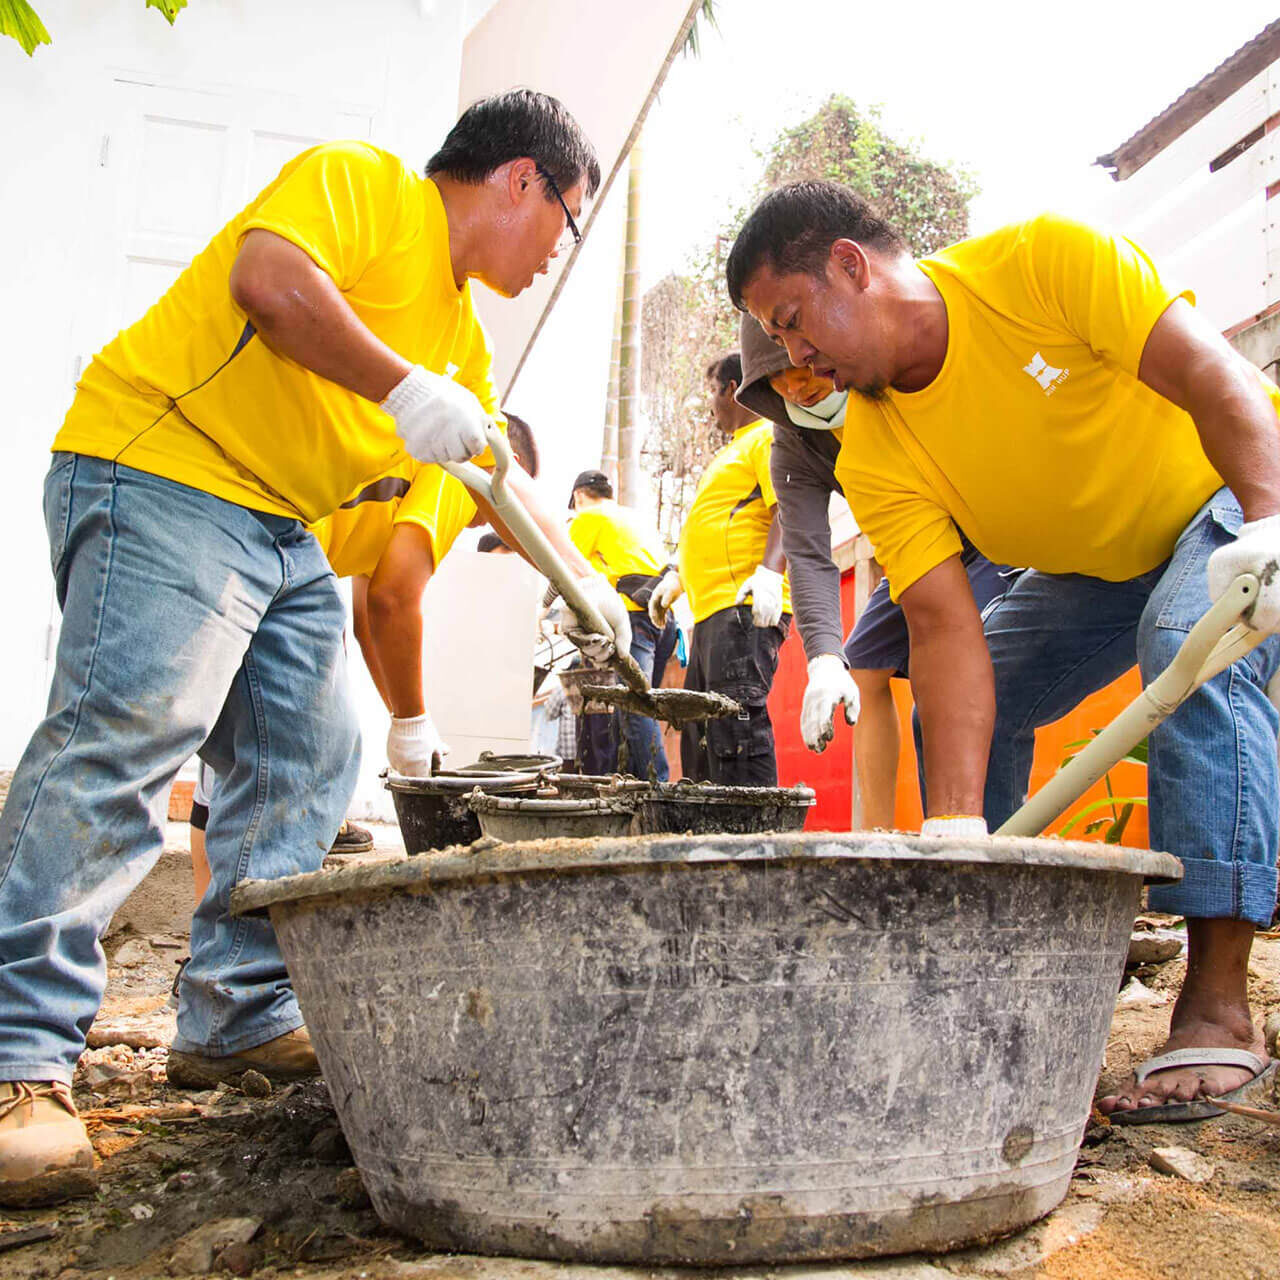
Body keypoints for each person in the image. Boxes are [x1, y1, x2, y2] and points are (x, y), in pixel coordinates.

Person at [0, 90, 637, 1207]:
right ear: (524, 179)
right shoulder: (366, 185)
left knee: (309, 751)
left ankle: (237, 1016)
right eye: (567, 222)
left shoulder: (460, 335)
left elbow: (492, 468)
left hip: (277, 525)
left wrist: (582, 580)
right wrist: (399, 388)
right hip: (168, 462)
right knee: (128, 735)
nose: (553, 256)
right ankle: (17, 1056)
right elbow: (268, 282)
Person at [728, 181, 1280, 1123]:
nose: (795, 357)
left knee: (1188, 645)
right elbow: (945, 631)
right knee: (999, 687)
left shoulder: (1041, 264)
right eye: (778, 343)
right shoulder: (872, 451)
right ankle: (984, 959)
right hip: (1097, 566)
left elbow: (1211, 377)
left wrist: (1270, 521)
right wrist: (952, 827)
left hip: (1222, 501)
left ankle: (1221, 1004)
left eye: (791, 320)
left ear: (851, 267)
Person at [735, 313, 1013, 828]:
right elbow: (809, 550)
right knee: (860, 665)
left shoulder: (886, 381)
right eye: (781, 383)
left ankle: (974, 830)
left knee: (955, 677)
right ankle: (878, 835)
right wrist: (821, 658)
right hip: (912, 547)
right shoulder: (793, 442)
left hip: (985, 529)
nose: (798, 391)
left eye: (804, 373)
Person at [649, 354, 791, 785]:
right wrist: (678, 576)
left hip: (743, 607)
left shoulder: (766, 435)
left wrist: (769, 573)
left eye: (712, 392)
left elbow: (789, 506)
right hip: (714, 613)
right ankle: (704, 843)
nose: (711, 405)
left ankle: (754, 845)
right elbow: (714, 526)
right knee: (701, 739)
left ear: (733, 388)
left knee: (736, 731)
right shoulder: (730, 454)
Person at [567, 470, 675, 779]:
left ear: (578, 497)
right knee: (632, 708)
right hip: (663, 620)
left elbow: (564, 570)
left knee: (635, 706)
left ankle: (659, 791)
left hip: (633, 620)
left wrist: (548, 615)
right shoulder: (635, 519)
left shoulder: (587, 516)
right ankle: (625, 784)